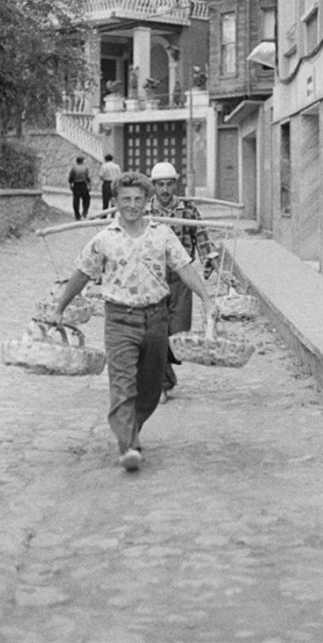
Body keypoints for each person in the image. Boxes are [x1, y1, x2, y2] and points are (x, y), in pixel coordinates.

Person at [47, 171, 216, 472]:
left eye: (138, 199)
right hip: (119, 320)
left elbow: (185, 267)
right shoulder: (104, 239)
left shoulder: (162, 234)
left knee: (150, 389)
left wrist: (206, 297)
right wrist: (60, 308)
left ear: (147, 201)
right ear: (115, 202)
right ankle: (129, 446)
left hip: (156, 319)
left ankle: (130, 428)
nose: (132, 205)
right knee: (123, 386)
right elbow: (81, 273)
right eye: (126, 199)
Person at [148, 161, 221, 402]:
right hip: (153, 279)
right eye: (160, 185)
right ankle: (160, 382)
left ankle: (164, 374)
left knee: (178, 332)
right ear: (154, 186)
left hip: (183, 279)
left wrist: (210, 260)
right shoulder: (146, 211)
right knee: (156, 332)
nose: (165, 189)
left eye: (169, 184)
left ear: (175, 184)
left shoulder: (187, 210)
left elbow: (200, 236)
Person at [68, 156, 91, 221]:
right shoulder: (85, 168)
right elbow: (87, 177)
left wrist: (70, 185)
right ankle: (84, 212)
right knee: (86, 199)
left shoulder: (74, 168)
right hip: (83, 185)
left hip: (76, 185)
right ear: (82, 161)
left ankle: (77, 215)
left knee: (76, 200)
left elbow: (71, 178)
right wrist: (89, 186)